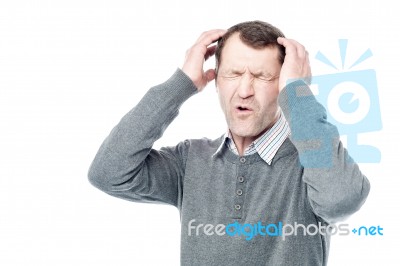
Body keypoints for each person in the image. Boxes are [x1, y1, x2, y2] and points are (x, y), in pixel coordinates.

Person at [88, 20, 370, 265]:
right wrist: (180, 84)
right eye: (233, 74)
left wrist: (298, 94)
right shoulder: (190, 161)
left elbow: (342, 199)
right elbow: (108, 172)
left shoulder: (311, 164)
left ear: (282, 83)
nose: (245, 91)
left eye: (262, 76)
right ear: (216, 81)